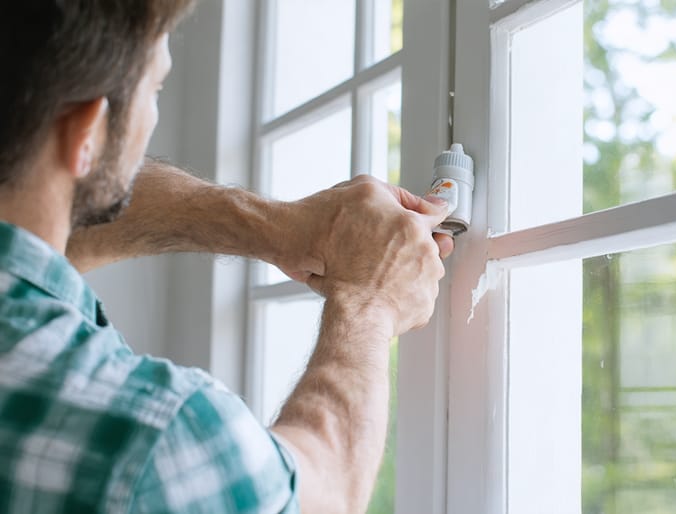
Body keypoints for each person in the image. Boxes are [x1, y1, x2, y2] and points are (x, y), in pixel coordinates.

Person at [0, 2, 453, 513]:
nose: (154, 112)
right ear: (89, 132)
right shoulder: (152, 441)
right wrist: (367, 301)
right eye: (157, 89)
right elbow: (324, 496)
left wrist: (276, 226)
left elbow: (59, 212)